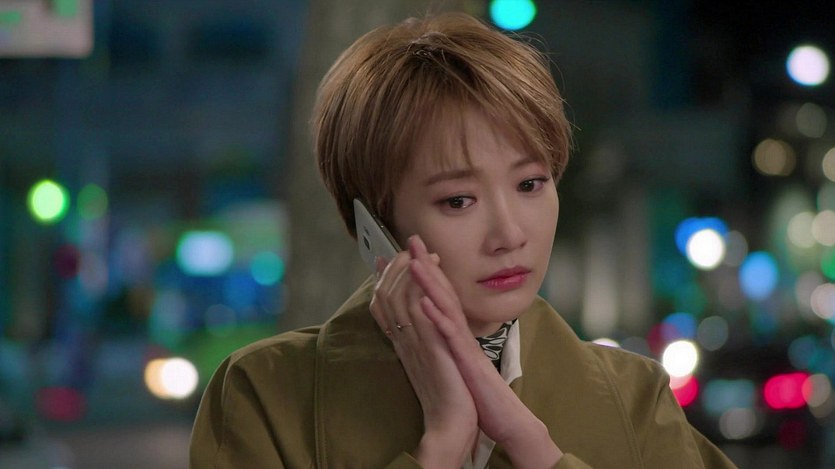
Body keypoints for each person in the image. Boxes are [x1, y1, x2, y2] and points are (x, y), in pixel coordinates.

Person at [189, 12, 737, 469]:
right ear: (374, 227)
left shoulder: (634, 396)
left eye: (530, 184)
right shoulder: (266, 393)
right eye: (458, 200)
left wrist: (534, 447)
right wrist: (443, 443)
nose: (509, 234)